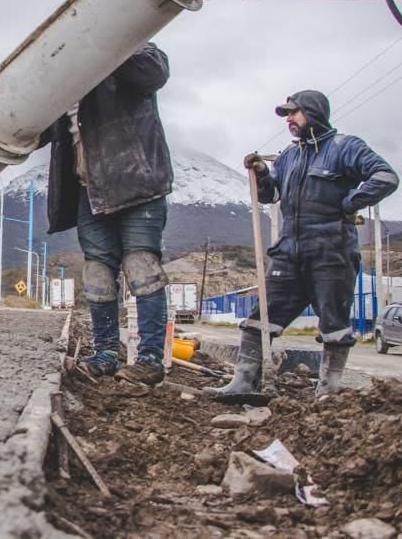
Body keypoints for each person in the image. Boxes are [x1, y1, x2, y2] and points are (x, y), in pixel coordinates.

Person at [215, 90, 397, 397]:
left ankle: (328, 390)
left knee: (334, 324)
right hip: (289, 249)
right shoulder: (289, 156)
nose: (289, 119)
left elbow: (386, 177)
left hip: (331, 250)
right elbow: (270, 195)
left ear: (314, 113)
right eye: (286, 114)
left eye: (294, 112)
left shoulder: (345, 148)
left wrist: (351, 202)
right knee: (262, 316)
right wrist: (260, 174)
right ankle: (244, 381)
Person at [39, 42, 172, 385]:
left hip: (137, 183)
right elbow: (36, 130)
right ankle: (106, 354)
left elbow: (154, 73)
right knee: (97, 273)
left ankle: (150, 359)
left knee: (142, 267)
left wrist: (107, 40)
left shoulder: (131, 50)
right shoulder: (65, 85)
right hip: (90, 191)